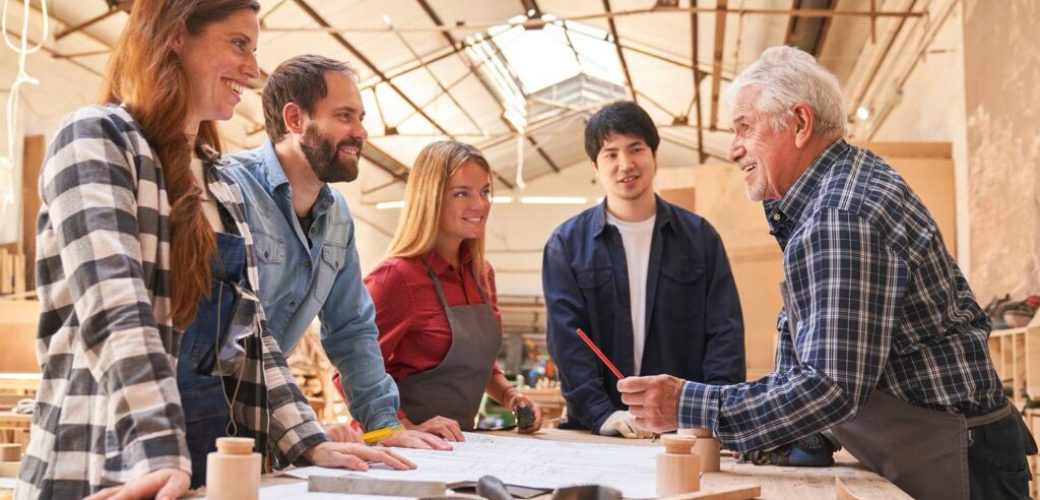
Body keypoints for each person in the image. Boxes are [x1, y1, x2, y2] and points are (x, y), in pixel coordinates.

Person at [18, 3, 413, 500]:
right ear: (178, 35)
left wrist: (308, 441)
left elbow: (255, 339)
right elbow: (114, 308)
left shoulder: (221, 181)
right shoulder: (97, 138)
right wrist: (159, 450)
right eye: (238, 44)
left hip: (209, 462)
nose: (252, 68)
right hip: (114, 459)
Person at [617, 46, 1036, 499]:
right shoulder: (829, 195)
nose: (734, 150)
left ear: (800, 123)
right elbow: (820, 360)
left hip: (960, 463)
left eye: (744, 128)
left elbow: (830, 384)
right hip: (938, 449)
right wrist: (775, 433)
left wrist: (687, 403)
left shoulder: (839, 214)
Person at [224, 55, 450, 447]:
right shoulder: (231, 189)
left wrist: (383, 427)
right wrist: (306, 432)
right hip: (199, 411)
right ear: (295, 120)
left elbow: (351, 328)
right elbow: (236, 334)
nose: (361, 132)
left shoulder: (337, 216)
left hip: (262, 418)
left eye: (360, 117)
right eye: (345, 116)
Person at [542, 101, 745, 437]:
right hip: (598, 431)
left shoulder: (699, 238)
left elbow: (724, 333)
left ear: (654, 155)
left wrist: (714, 416)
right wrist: (602, 414)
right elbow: (567, 339)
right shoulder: (566, 244)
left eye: (636, 149)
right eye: (611, 154)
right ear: (595, 166)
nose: (626, 164)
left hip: (685, 430)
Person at [358, 140, 543, 435]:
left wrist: (511, 396)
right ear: (430, 200)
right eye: (461, 193)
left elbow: (475, 366)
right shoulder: (395, 277)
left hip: (459, 447)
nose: (480, 204)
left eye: (485, 192)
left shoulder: (482, 275)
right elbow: (352, 372)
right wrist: (404, 429)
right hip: (400, 448)